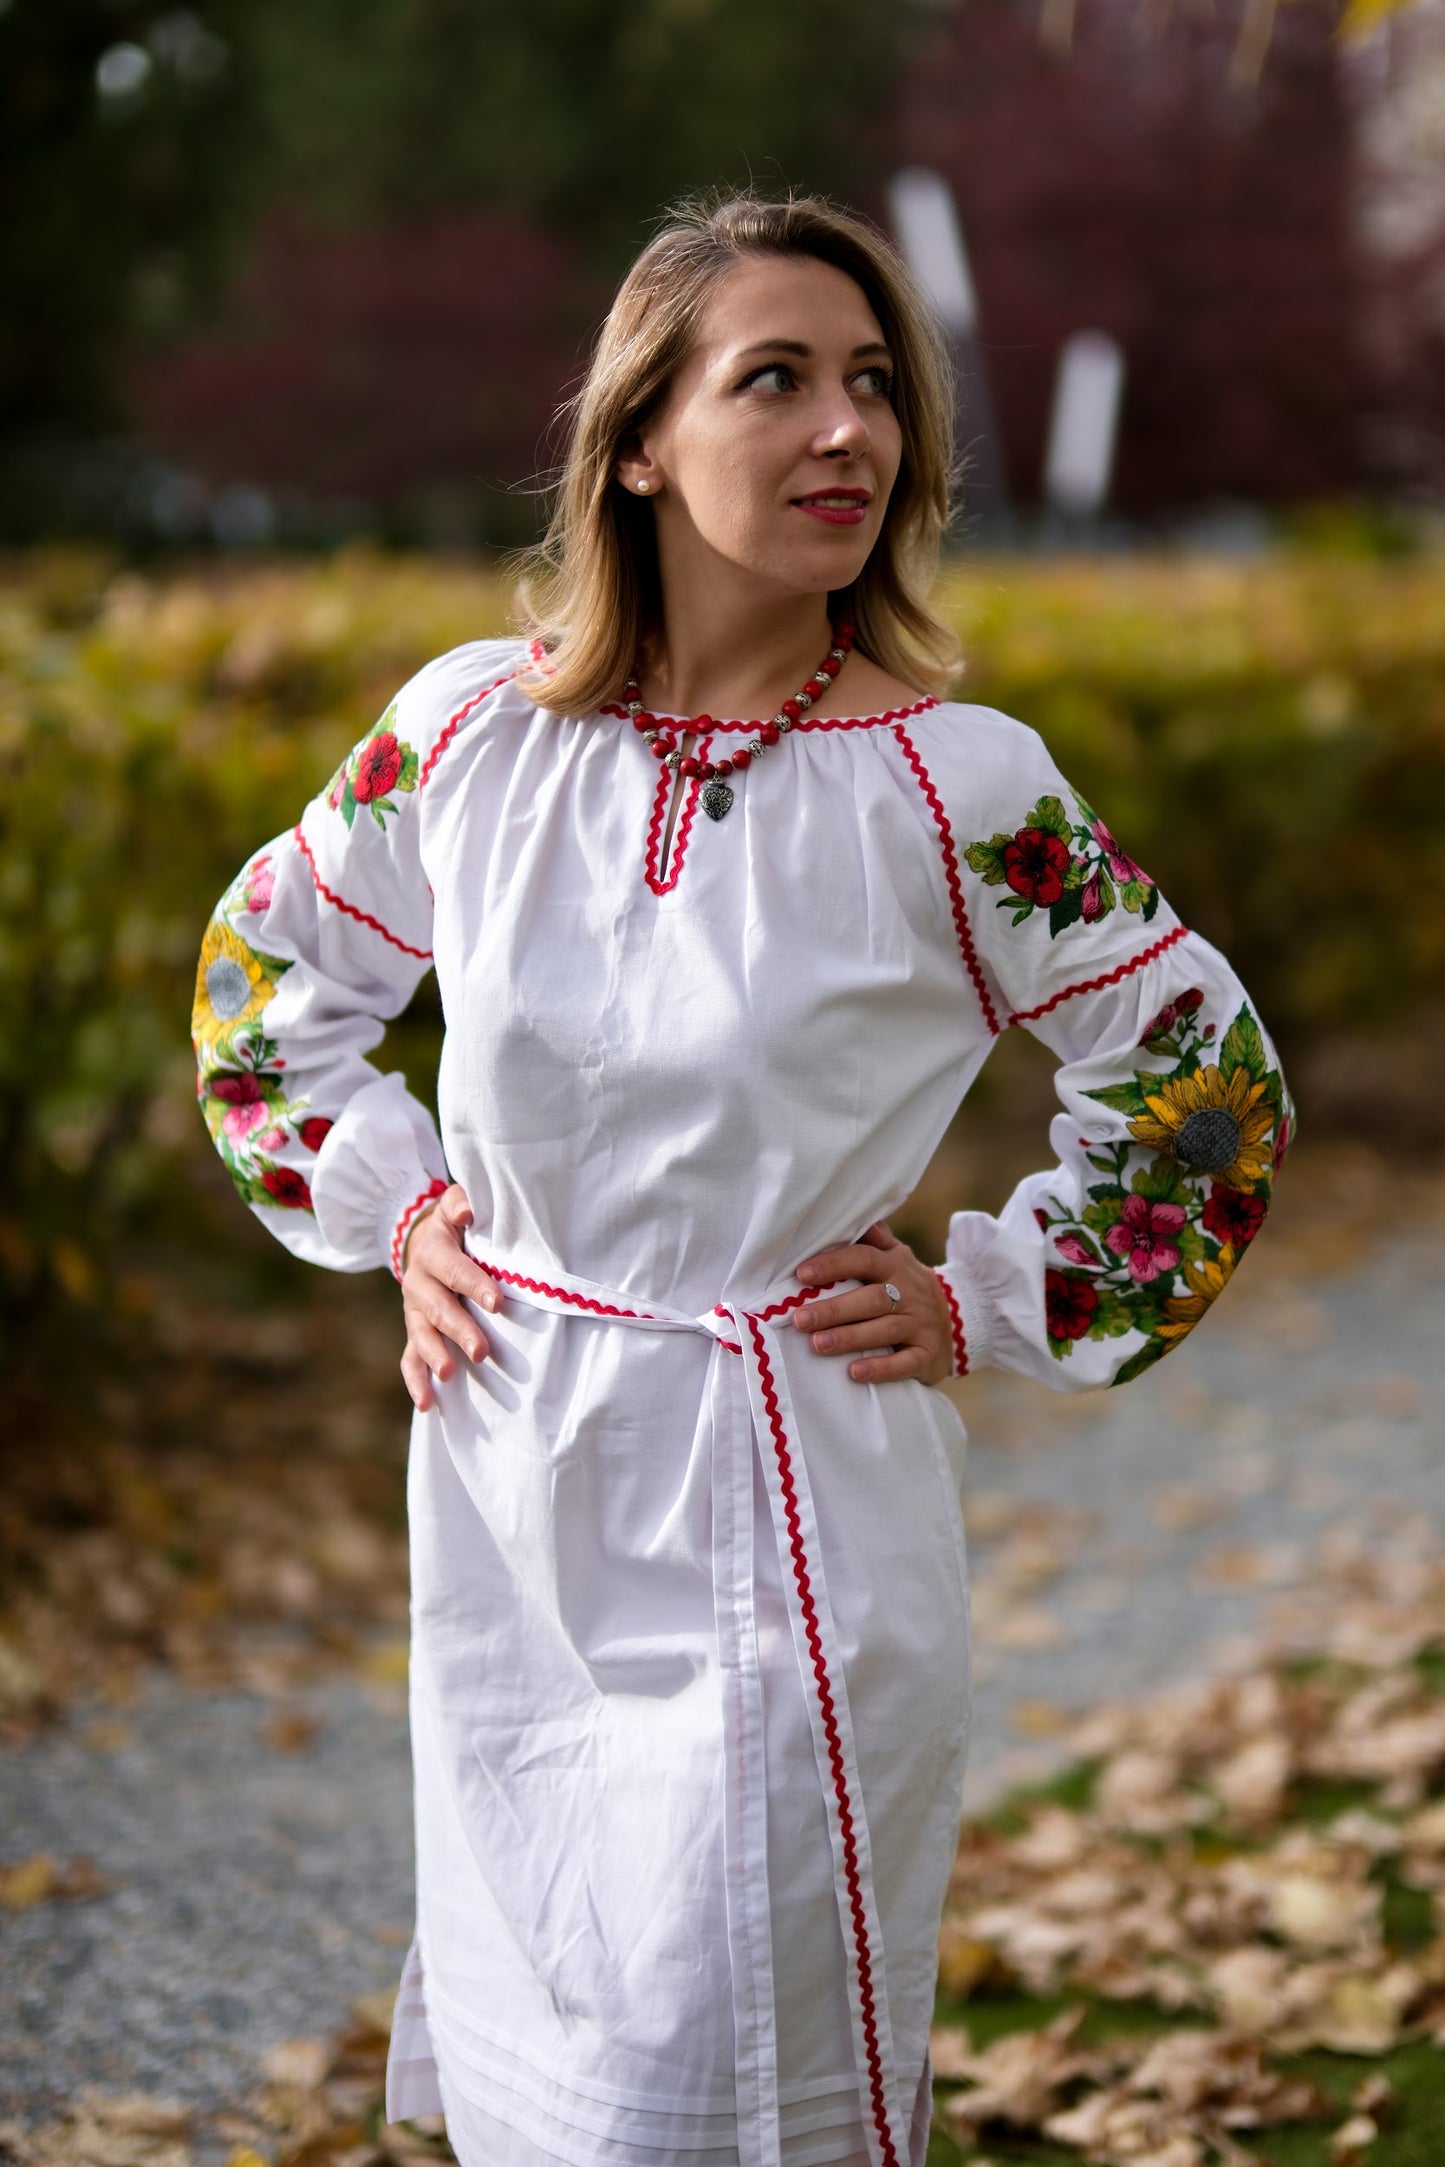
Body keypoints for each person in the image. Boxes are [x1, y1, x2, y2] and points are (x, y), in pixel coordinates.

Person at [192, 189, 1292, 2167]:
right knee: (554, 2062)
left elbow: (1205, 1075)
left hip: (789, 1503)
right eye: (775, 377)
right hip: (517, 1480)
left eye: (876, 384)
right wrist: (404, 1207)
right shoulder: (472, 740)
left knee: (709, 2085)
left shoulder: (960, 790)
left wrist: (993, 1297)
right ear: (637, 437)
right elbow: (267, 986)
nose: (848, 430)